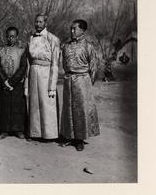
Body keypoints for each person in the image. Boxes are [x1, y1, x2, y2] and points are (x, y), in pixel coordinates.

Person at [59, 19, 101, 151]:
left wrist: (87, 84)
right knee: (68, 108)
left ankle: (79, 139)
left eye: (74, 29)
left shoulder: (89, 46)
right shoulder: (66, 45)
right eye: (71, 29)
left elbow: (94, 67)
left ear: (82, 31)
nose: (72, 31)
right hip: (68, 79)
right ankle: (69, 136)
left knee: (80, 110)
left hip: (82, 81)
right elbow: (63, 64)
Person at [26, 13, 61, 141]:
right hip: (33, 72)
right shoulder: (31, 38)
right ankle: (35, 132)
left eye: (40, 22)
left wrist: (52, 86)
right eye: (36, 22)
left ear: (45, 23)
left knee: (46, 103)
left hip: (46, 73)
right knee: (34, 103)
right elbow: (28, 61)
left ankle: (49, 134)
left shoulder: (53, 39)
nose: (38, 24)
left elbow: (55, 64)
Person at [0, 26, 29, 139]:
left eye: (13, 36)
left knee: (17, 107)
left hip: (17, 83)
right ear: (6, 37)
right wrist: (4, 81)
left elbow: (23, 67)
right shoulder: (0, 50)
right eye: (9, 36)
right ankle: (4, 129)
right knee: (4, 106)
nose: (11, 39)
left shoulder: (22, 50)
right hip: (4, 83)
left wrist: (12, 82)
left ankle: (18, 129)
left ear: (17, 37)